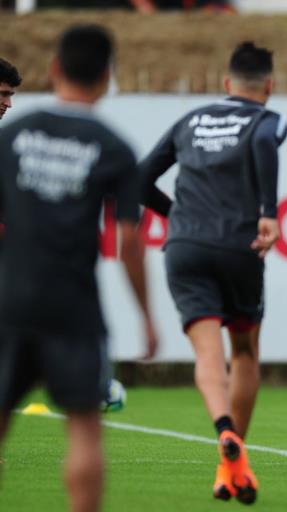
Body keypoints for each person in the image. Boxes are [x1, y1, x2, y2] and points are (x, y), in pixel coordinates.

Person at [0, 24, 158, 512]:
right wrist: (147, 316)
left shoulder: (13, 135)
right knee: (85, 429)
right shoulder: (113, 145)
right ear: (107, 77)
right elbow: (129, 241)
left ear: (53, 70)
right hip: (73, 305)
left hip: (10, 298)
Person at [140, 41, 286, 504]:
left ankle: (225, 437)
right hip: (238, 246)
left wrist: (177, 215)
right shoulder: (265, 118)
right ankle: (232, 456)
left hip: (184, 247)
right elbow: (264, 142)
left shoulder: (191, 119)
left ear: (226, 84)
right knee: (243, 350)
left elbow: (140, 179)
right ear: (269, 85)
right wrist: (269, 210)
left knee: (206, 350)